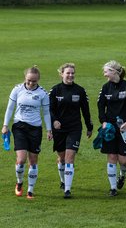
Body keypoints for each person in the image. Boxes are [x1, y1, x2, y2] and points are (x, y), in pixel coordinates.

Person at [2, 66, 53, 199]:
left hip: (35, 129)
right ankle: (19, 182)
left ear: (38, 80)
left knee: (33, 160)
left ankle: (30, 191)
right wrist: (5, 125)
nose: (31, 83)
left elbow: (46, 113)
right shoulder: (17, 89)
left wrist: (49, 129)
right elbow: (10, 108)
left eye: (34, 81)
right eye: (29, 80)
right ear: (25, 78)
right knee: (21, 159)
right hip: (19, 126)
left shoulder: (42, 93)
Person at [49, 63, 93, 198]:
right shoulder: (55, 90)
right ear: (61, 74)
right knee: (61, 158)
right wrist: (54, 121)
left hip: (74, 128)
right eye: (68, 73)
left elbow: (85, 110)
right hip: (59, 129)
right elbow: (49, 110)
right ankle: (63, 180)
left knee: (69, 157)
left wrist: (89, 126)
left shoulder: (80, 90)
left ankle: (67, 189)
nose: (70, 75)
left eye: (72, 73)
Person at [97, 60, 126, 196]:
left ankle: (122, 175)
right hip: (110, 128)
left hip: (124, 127)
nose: (104, 74)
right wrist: (103, 122)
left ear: (114, 72)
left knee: (124, 160)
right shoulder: (105, 88)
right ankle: (113, 188)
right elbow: (100, 106)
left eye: (106, 71)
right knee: (112, 156)